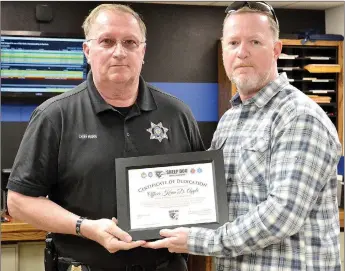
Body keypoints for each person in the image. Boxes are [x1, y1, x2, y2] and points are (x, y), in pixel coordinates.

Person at [143, 2, 342, 270]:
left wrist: (199, 240)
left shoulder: (298, 117)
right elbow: (210, 197)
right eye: (233, 43)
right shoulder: (230, 121)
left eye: (255, 42)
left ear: (276, 50)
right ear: (223, 50)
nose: (242, 52)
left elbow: (282, 215)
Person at [7, 4, 204, 271]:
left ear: (143, 51)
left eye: (130, 42)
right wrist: (84, 227)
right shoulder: (54, 116)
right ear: (87, 51)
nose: (119, 52)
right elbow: (18, 202)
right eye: (107, 41)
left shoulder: (177, 114)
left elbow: (201, 194)